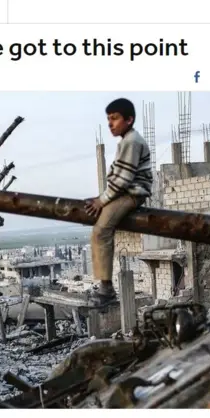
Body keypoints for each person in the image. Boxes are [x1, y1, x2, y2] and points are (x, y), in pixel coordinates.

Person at [85, 98, 153, 304]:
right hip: (126, 192)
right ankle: (104, 284)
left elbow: (123, 179)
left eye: (114, 119)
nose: (110, 124)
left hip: (132, 193)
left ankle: (106, 288)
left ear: (129, 119)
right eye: (108, 119)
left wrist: (101, 201)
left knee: (101, 230)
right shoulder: (126, 140)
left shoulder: (131, 141)